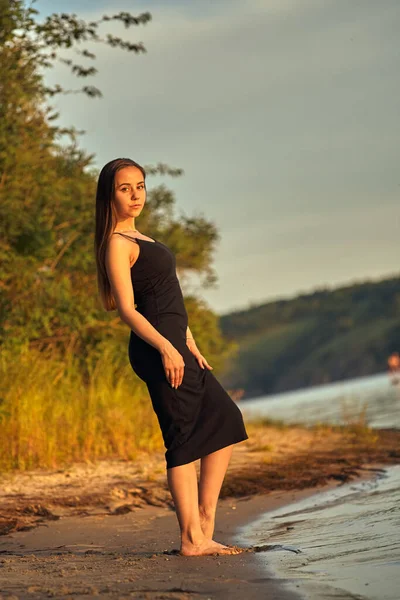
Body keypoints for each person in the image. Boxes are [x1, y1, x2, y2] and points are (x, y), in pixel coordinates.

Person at [94, 157, 249, 556]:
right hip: (156, 350)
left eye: (140, 186)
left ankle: (204, 522)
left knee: (225, 418)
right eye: (124, 188)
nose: (134, 195)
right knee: (181, 436)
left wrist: (188, 341)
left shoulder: (141, 238)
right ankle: (192, 538)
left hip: (177, 345)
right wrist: (165, 346)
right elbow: (129, 309)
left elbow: (165, 297)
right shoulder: (117, 243)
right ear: (109, 195)